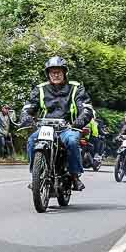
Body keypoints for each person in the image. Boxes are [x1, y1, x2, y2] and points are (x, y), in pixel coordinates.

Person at [22, 57, 94, 191]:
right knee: (32, 140)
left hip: (68, 127)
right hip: (46, 128)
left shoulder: (76, 88)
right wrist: (26, 116)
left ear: (64, 73)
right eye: (52, 72)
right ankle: (36, 176)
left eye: (58, 72)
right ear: (48, 74)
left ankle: (74, 176)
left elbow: (86, 108)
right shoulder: (40, 89)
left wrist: (80, 120)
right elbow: (29, 106)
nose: (55, 75)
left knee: (72, 141)